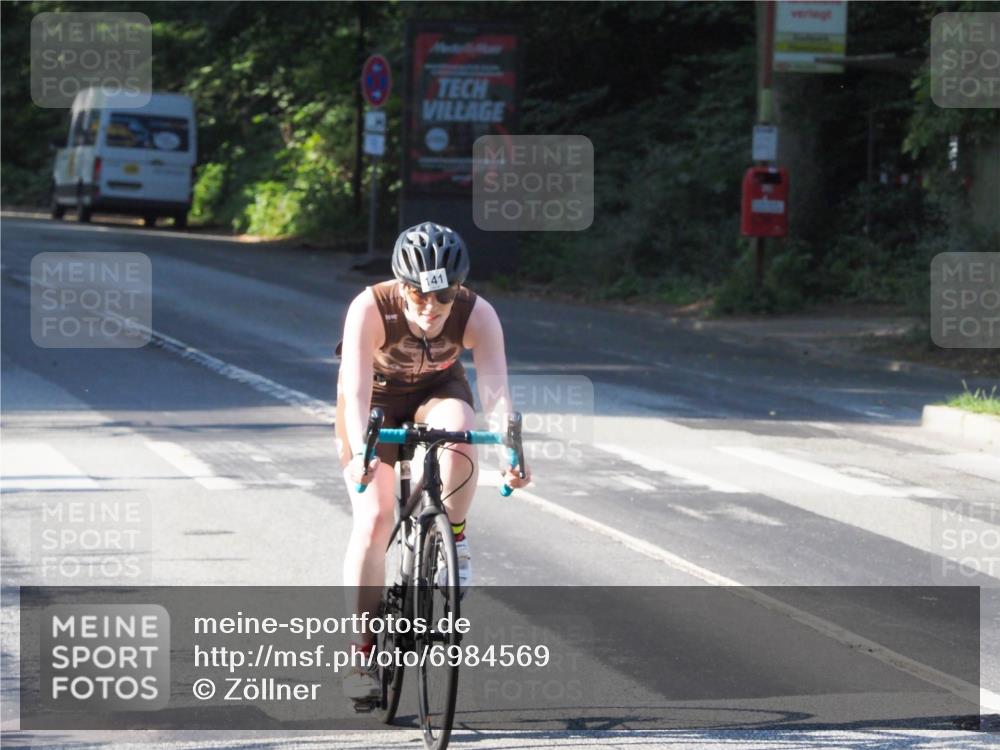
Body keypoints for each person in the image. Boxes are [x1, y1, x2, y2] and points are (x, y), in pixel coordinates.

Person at [336, 221, 531, 702]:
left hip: (436, 393)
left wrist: (511, 450)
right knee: (376, 518)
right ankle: (361, 654)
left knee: (462, 432)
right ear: (401, 286)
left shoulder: (478, 314)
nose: (430, 308)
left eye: (442, 298)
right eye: (418, 296)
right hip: (376, 403)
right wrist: (364, 453)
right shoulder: (369, 308)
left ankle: (454, 538)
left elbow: (497, 394)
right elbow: (354, 393)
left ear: (458, 290)